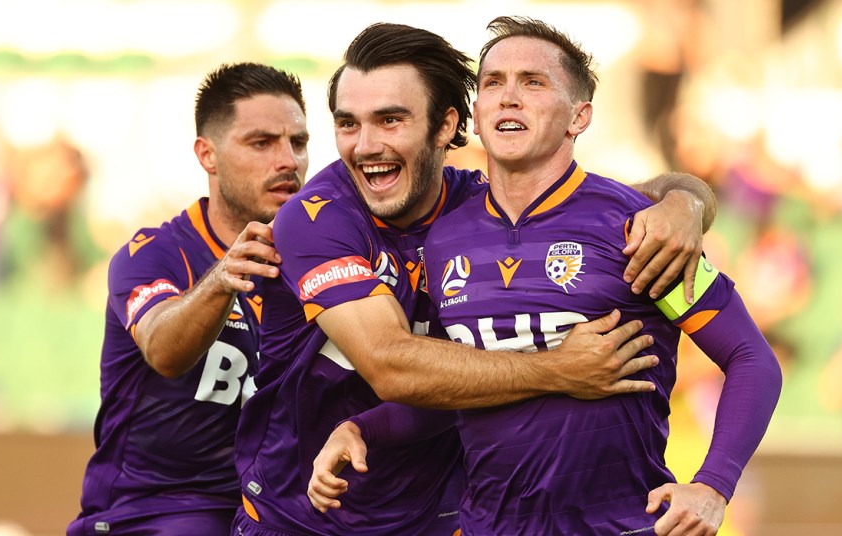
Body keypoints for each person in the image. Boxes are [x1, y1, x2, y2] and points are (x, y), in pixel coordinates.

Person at [234, 22, 718, 536]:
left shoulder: (482, 208)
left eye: (391, 120)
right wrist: (558, 369)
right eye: (348, 124)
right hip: (303, 515)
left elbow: (616, 202)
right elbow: (390, 365)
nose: (365, 145)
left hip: (440, 518)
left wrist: (684, 201)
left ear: (446, 127)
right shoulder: (315, 217)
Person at [68, 62, 308, 536]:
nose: (288, 161)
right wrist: (221, 280)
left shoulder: (317, 264)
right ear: (207, 155)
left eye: (297, 142)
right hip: (156, 511)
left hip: (269, 509)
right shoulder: (153, 255)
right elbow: (163, 349)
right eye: (261, 143)